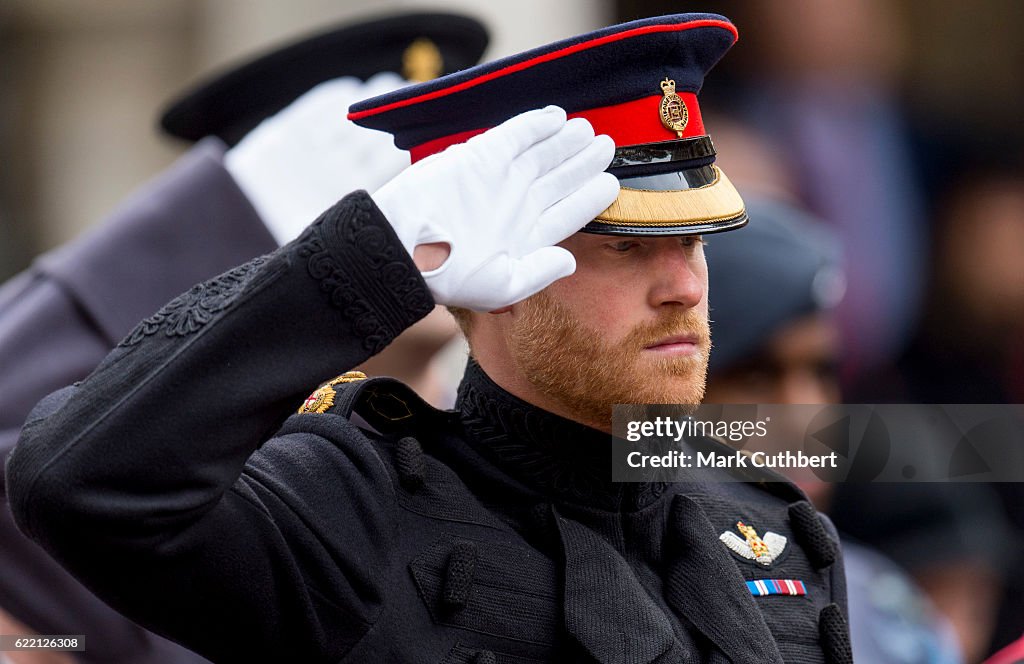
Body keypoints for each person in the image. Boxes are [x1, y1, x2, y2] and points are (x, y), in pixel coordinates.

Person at [7, 14, 851, 663]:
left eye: (694, 240)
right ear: (498, 268)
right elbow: (78, 483)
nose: (684, 289)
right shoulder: (350, 505)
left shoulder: (765, 524)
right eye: (627, 248)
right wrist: (368, 258)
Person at [0, 13, 486, 663]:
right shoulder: (169, 468)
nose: (425, 224)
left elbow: (657, 465)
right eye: (379, 199)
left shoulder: (516, 415)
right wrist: (200, 229)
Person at [701, 196, 965, 664]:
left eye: (822, 372)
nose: (806, 414)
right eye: (754, 376)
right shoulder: (612, 588)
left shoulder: (881, 606)